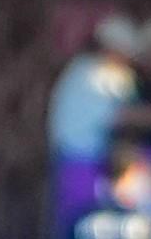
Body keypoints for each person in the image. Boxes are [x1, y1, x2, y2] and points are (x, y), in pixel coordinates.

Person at [48, 15, 140, 162]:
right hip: (79, 157)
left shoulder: (82, 66)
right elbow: (121, 116)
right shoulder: (96, 70)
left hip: (75, 154)